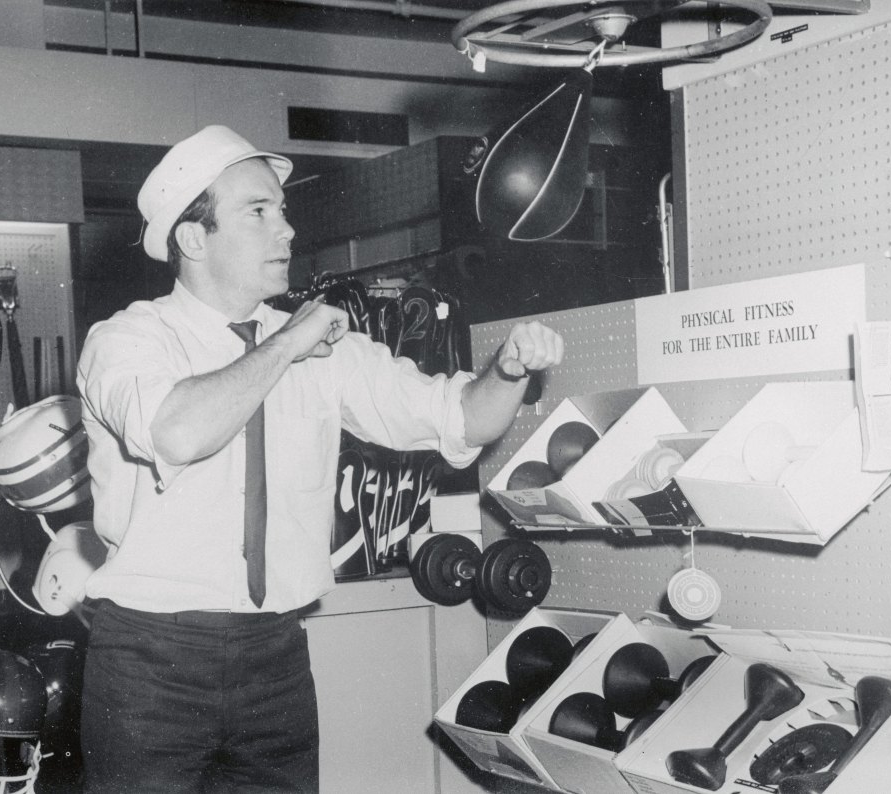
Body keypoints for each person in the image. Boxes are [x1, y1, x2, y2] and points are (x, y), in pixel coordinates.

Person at [75, 124, 564, 794]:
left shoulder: (323, 345)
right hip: (150, 660)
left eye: (282, 210)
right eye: (258, 211)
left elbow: (461, 419)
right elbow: (178, 435)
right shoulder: (127, 341)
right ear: (193, 238)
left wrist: (507, 372)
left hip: (274, 658)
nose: (287, 230)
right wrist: (287, 344)